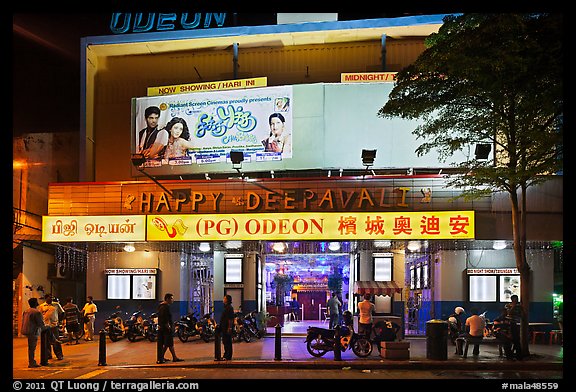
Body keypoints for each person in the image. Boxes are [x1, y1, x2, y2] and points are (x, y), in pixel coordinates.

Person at [156, 293, 183, 364]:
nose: (172, 300)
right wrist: (167, 325)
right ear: (167, 299)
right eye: (171, 298)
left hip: (164, 328)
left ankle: (171, 357)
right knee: (168, 343)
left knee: (168, 343)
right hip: (166, 328)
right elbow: (164, 317)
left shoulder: (161, 306)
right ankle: (164, 357)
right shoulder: (165, 307)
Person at [21, 297, 47, 367]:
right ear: (35, 303)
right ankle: (32, 362)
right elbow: (40, 323)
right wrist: (46, 327)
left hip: (26, 330)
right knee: (32, 348)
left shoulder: (26, 311)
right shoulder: (37, 312)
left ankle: (32, 361)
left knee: (30, 347)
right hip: (33, 331)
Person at [38, 294, 64, 360]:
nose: (51, 299)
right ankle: (48, 355)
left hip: (54, 325)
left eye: (52, 298)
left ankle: (59, 355)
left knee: (56, 341)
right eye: (50, 298)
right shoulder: (42, 306)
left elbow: (62, 313)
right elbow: (40, 315)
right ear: (46, 298)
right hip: (46, 326)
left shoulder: (56, 304)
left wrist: (60, 321)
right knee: (46, 341)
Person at [506, 294, 525, 359]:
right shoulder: (508, 305)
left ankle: (518, 354)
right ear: (512, 300)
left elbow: (522, 315)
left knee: (516, 339)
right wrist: (513, 306)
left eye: (517, 299)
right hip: (509, 324)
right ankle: (511, 354)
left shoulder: (519, 306)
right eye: (515, 299)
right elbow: (509, 313)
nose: (516, 301)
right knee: (510, 339)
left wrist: (522, 309)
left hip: (516, 324)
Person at [218, 294, 235, 361]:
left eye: (224, 298)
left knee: (227, 342)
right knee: (225, 342)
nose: (223, 299)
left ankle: (227, 356)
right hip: (224, 327)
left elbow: (230, 319)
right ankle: (226, 355)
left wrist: (229, 328)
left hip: (226, 328)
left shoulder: (229, 308)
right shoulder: (226, 307)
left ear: (227, 300)